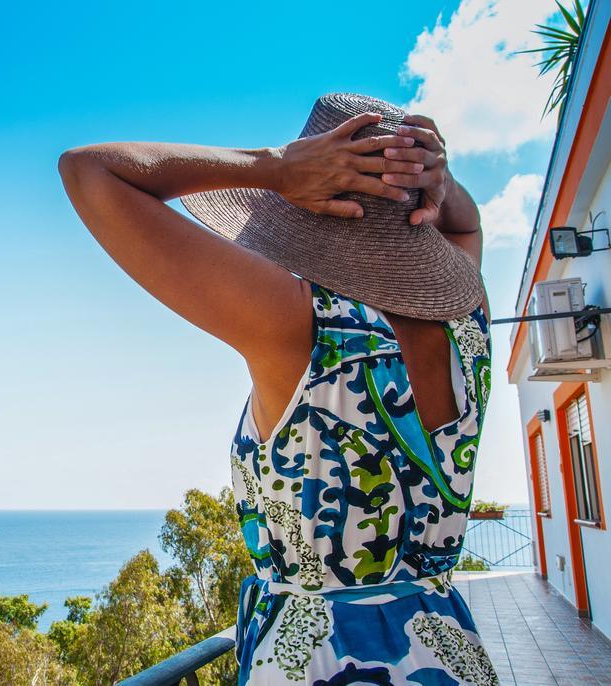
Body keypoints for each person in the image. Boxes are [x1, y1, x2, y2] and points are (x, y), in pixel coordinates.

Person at [59, 92, 499, 685]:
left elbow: (89, 171)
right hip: (446, 648)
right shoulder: (468, 316)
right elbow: (466, 223)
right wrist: (437, 187)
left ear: (314, 198)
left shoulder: (303, 326)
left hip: (321, 660)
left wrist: (275, 166)